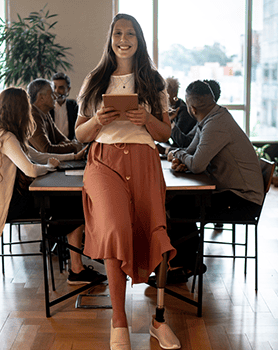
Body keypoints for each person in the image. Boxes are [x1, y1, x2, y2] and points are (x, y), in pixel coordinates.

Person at [75, 13, 180, 350]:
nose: (123, 39)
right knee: (116, 228)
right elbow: (79, 134)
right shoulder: (95, 79)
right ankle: (118, 321)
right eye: (118, 33)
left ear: (139, 38)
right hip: (104, 161)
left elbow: (167, 133)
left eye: (130, 33)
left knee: (156, 232)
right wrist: (96, 121)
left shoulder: (153, 80)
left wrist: (147, 119)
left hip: (145, 159)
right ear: (110, 38)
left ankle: (158, 321)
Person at [0, 87, 103, 286]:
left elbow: (38, 156)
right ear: (18, 110)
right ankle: (75, 266)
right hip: (8, 207)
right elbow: (32, 170)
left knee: (70, 204)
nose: (29, 112)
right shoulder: (6, 138)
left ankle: (66, 249)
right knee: (76, 205)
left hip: (6, 202)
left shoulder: (5, 135)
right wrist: (50, 167)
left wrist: (71, 157)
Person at [166, 80, 265, 281]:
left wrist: (177, 154)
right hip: (232, 192)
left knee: (178, 207)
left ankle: (184, 265)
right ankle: (187, 263)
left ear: (191, 108)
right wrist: (182, 156)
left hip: (243, 200)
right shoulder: (211, 119)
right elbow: (191, 151)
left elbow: (197, 165)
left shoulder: (215, 125)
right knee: (177, 203)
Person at [28, 78, 83, 154]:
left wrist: (68, 145)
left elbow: (62, 139)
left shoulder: (45, 113)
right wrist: (74, 146)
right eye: (52, 94)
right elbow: (46, 149)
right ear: (41, 98)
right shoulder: (32, 116)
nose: (55, 97)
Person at [166, 77, 196, 148]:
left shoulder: (184, 110)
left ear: (174, 93)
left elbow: (178, 140)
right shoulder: (170, 108)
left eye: (165, 92)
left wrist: (168, 121)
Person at [50, 72, 79, 140]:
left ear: (68, 90)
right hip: (51, 146)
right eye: (54, 87)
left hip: (70, 144)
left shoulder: (74, 106)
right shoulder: (47, 108)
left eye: (61, 88)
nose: (56, 91)